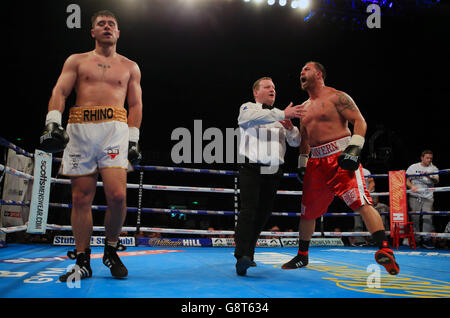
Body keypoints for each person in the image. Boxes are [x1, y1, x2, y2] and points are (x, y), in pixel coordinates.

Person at [39, 10, 143, 281]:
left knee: (118, 196)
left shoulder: (130, 66)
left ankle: (110, 249)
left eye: (112, 24)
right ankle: (83, 259)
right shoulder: (77, 60)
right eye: (101, 24)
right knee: (80, 197)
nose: (107, 27)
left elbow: (135, 104)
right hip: (80, 127)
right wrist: (53, 122)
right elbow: (60, 91)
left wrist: (134, 139)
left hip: (115, 130)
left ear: (118, 33)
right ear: (93, 32)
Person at [282, 61, 399, 275]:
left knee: (362, 201)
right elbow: (305, 140)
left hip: (341, 157)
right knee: (307, 212)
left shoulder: (337, 97)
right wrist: (302, 163)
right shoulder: (303, 108)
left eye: (306, 69)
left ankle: (385, 249)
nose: (301, 72)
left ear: (319, 74)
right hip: (316, 163)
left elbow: (360, 122)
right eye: (301, 70)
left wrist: (355, 148)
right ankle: (302, 256)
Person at [234, 77, 305, 276]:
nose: (272, 89)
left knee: (263, 214)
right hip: (252, 168)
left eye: (274, 87)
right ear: (256, 92)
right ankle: (241, 256)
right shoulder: (248, 108)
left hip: (273, 170)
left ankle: (249, 255)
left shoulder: (280, 117)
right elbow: (253, 119)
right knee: (249, 211)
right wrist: (283, 113)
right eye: (267, 87)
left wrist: (291, 128)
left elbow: (295, 142)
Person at [406, 150, 439, 249]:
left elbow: (437, 180)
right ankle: (416, 239)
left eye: (430, 158)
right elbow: (406, 180)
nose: (429, 160)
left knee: (427, 218)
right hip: (415, 196)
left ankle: (426, 239)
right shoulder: (413, 167)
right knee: (415, 218)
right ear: (422, 158)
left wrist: (428, 175)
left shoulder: (433, 168)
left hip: (428, 197)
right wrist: (411, 186)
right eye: (427, 158)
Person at [351, 166, 375, 246]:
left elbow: (372, 183)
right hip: (356, 197)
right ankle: (359, 240)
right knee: (358, 218)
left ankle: (373, 239)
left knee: (369, 217)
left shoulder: (365, 171)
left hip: (367, 196)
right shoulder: (350, 171)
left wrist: (367, 192)